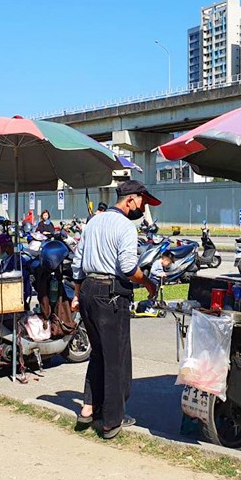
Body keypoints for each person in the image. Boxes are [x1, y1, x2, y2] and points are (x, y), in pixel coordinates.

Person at [71, 180, 159, 439]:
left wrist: (77, 296)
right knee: (115, 357)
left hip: (87, 290)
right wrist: (148, 283)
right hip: (110, 295)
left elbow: (78, 262)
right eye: (142, 201)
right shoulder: (126, 227)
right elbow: (129, 268)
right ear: (130, 200)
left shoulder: (93, 222)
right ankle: (111, 420)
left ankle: (88, 408)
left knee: (98, 353)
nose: (143, 207)